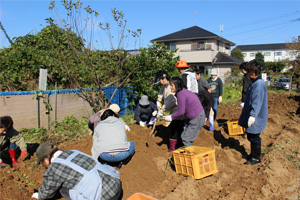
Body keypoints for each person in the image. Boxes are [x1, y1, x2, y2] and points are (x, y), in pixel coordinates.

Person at [32, 143, 122, 200]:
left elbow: (46, 193)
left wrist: (38, 195)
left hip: (105, 197)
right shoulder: (73, 152)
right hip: (116, 186)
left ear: (45, 159)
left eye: (42, 163)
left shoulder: (55, 167)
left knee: (63, 189)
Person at [238, 60, 268, 165]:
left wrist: (253, 115)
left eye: (250, 71)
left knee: (254, 136)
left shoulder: (258, 84)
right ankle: (252, 154)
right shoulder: (254, 82)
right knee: (251, 135)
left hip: (257, 116)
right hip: (253, 114)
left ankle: (256, 157)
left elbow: (257, 101)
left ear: (254, 72)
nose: (248, 73)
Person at [163, 77, 205, 147]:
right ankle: (186, 152)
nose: (170, 87)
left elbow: (181, 112)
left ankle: (189, 156)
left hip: (196, 118)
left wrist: (171, 117)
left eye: (172, 85)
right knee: (184, 135)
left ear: (177, 85)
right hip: (193, 117)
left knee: (186, 139)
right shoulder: (182, 92)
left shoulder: (181, 94)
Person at [154, 70, 185, 152]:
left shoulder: (171, 87)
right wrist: (158, 101)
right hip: (172, 110)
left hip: (177, 111)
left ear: (164, 78)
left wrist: (161, 111)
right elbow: (160, 93)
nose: (159, 83)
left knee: (175, 129)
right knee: (175, 129)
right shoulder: (164, 86)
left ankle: (175, 147)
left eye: (160, 81)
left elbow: (170, 101)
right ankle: (176, 146)